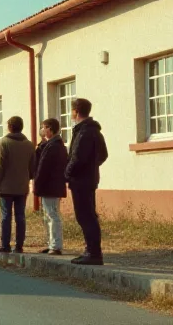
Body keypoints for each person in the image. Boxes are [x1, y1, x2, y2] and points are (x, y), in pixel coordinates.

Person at [65, 98, 108, 266]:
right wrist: (92, 166)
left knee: (85, 216)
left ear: (75, 111)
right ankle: (91, 250)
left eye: (71, 111)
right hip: (90, 179)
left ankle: (93, 253)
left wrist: (67, 174)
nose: (71, 114)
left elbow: (77, 158)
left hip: (81, 180)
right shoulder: (95, 131)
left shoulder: (84, 132)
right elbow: (103, 155)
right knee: (88, 215)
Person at [0, 116, 36, 254]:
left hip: (6, 186)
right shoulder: (29, 144)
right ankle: (19, 246)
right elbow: (33, 167)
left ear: (9, 127)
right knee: (20, 216)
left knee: (6, 216)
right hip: (22, 186)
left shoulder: (4, 143)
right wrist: (26, 177)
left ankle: (5, 245)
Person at [34, 118, 68, 255]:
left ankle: (56, 245)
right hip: (48, 186)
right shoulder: (49, 145)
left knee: (53, 215)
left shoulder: (55, 146)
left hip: (51, 186)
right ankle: (51, 243)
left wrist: (37, 183)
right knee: (47, 216)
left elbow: (43, 167)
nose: (42, 130)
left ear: (50, 129)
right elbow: (38, 157)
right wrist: (41, 142)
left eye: (44, 127)